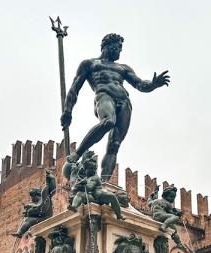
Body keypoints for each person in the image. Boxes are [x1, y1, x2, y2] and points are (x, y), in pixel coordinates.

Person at [61, 33, 170, 182]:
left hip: (124, 102)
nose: (120, 51)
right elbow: (74, 89)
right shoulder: (90, 64)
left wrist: (153, 84)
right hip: (104, 96)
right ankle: (77, 153)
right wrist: (68, 110)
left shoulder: (123, 68)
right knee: (108, 121)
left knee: (115, 144)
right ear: (108, 46)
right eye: (118, 47)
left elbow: (140, 85)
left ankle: (105, 183)